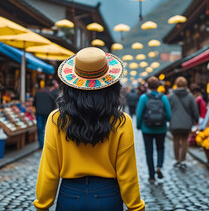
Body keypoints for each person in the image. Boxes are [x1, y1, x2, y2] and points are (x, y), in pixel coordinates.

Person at [34, 47, 145, 211]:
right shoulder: (122, 122)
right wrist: (135, 206)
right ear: (112, 86)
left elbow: (49, 169)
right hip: (108, 197)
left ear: (70, 85)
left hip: (69, 197)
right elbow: (127, 173)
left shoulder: (56, 120)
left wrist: (42, 204)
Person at [136, 76, 171, 184]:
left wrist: (138, 126)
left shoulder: (144, 98)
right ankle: (159, 166)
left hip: (147, 129)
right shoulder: (163, 97)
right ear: (158, 86)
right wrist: (165, 121)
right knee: (160, 148)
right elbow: (169, 114)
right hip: (161, 128)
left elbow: (139, 114)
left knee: (149, 151)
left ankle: (151, 175)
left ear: (148, 86)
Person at [168, 76, 199, 168]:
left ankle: (177, 159)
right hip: (186, 123)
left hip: (174, 122)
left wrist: (169, 120)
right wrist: (197, 120)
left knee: (176, 140)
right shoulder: (190, 96)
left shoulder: (171, 96)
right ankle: (183, 160)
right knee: (185, 140)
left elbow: (168, 109)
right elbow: (194, 109)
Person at [34, 80, 57, 149]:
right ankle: (47, 144)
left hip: (39, 113)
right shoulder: (51, 94)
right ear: (51, 87)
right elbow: (54, 105)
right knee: (47, 128)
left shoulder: (38, 93)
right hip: (48, 113)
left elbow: (34, 103)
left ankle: (41, 144)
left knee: (40, 128)